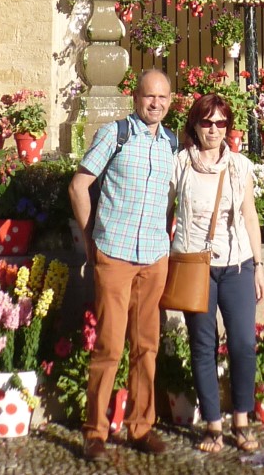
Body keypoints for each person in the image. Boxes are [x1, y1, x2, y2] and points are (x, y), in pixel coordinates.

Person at [69, 70, 177, 461]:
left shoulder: (171, 143)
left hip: (154, 257)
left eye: (163, 98)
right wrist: (89, 239)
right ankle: (95, 431)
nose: (156, 104)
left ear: (170, 101)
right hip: (114, 255)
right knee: (110, 346)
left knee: (146, 346)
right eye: (150, 96)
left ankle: (140, 427)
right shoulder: (114, 135)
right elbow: (79, 185)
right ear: (136, 98)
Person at [171, 92, 264, 453]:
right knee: (203, 345)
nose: (213, 129)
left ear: (228, 126)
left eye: (220, 122)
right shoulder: (180, 164)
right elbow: (166, 212)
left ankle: (241, 420)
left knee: (243, 343)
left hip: (237, 264)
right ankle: (213, 425)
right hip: (196, 267)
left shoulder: (240, 166)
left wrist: (257, 265)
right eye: (207, 122)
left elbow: (249, 215)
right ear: (195, 125)